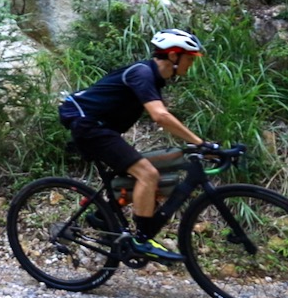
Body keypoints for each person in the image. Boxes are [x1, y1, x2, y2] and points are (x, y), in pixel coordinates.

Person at [58, 29, 211, 261]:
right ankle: (141, 239)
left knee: (156, 171)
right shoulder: (142, 73)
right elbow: (160, 116)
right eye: (189, 57)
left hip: (102, 128)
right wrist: (201, 143)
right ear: (173, 56)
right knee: (147, 174)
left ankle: (104, 215)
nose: (191, 63)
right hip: (89, 125)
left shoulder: (154, 79)